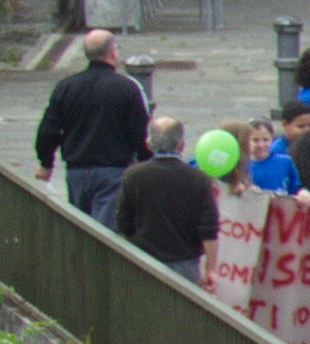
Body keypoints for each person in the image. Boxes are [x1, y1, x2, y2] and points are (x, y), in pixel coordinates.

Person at [34, 29, 152, 223]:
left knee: (81, 229)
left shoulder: (66, 86)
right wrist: (145, 161)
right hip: (113, 172)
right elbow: (139, 133)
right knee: (106, 233)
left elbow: (49, 129)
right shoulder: (126, 88)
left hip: (77, 171)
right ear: (113, 52)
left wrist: (45, 162)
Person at [111, 117, 226, 281]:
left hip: (143, 262)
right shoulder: (198, 179)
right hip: (185, 265)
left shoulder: (133, 176)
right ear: (182, 145)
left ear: (148, 144)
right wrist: (210, 269)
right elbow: (209, 229)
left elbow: (123, 223)